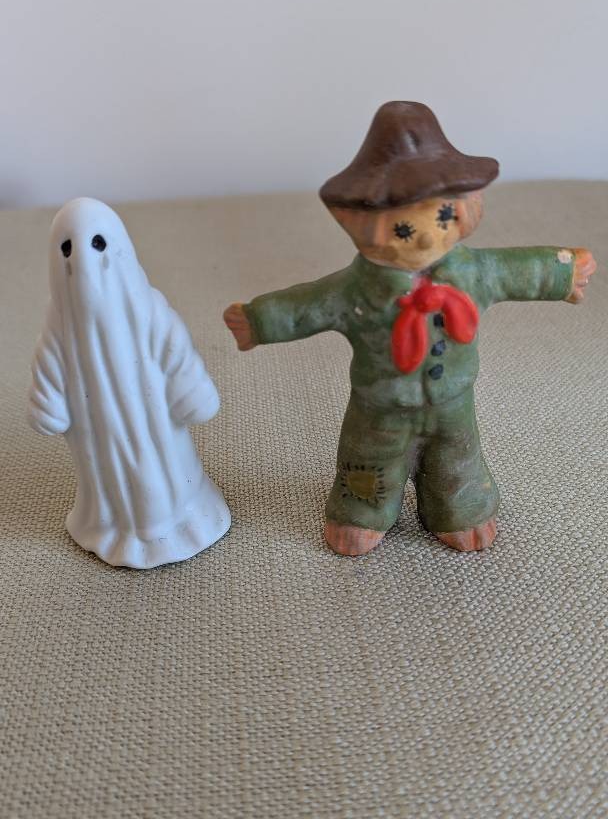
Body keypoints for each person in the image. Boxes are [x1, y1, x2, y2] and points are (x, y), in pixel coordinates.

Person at [224, 102, 596, 556]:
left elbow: (517, 269)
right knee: (368, 461)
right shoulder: (357, 289)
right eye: (403, 228)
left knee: (457, 456)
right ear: (363, 225)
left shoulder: (472, 273)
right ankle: (361, 511)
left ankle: (461, 508)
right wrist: (259, 320)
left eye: (441, 218)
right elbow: (308, 305)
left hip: (453, 399)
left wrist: (563, 272)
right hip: (381, 405)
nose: (424, 237)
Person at [29, 197, 230, 568]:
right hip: (96, 440)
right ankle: (112, 526)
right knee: (108, 483)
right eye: (67, 248)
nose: (82, 259)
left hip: (155, 432)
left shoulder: (147, 310)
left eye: (97, 243)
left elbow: (174, 350)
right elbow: (49, 383)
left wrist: (191, 391)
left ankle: (182, 516)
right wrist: (48, 403)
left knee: (166, 477)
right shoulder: (59, 329)